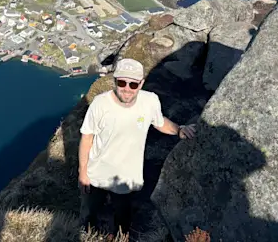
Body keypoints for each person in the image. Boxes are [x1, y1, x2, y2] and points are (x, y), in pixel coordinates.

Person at [79, 58, 197, 237]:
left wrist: (179, 130)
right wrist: (83, 172)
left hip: (126, 177)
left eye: (133, 84)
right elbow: (87, 138)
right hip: (97, 173)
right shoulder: (100, 104)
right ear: (115, 81)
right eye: (122, 82)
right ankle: (86, 235)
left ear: (141, 83)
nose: (127, 88)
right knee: (90, 212)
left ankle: (119, 239)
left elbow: (159, 122)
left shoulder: (149, 101)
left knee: (123, 217)